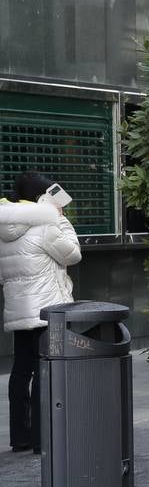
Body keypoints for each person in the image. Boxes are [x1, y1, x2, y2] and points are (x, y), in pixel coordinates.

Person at [0, 173, 80, 454]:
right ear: (41, 198)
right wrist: (59, 218)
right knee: (45, 369)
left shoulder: (6, 227)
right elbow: (72, 254)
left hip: (18, 308)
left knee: (21, 369)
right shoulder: (46, 225)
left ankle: (20, 436)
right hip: (47, 309)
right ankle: (41, 438)